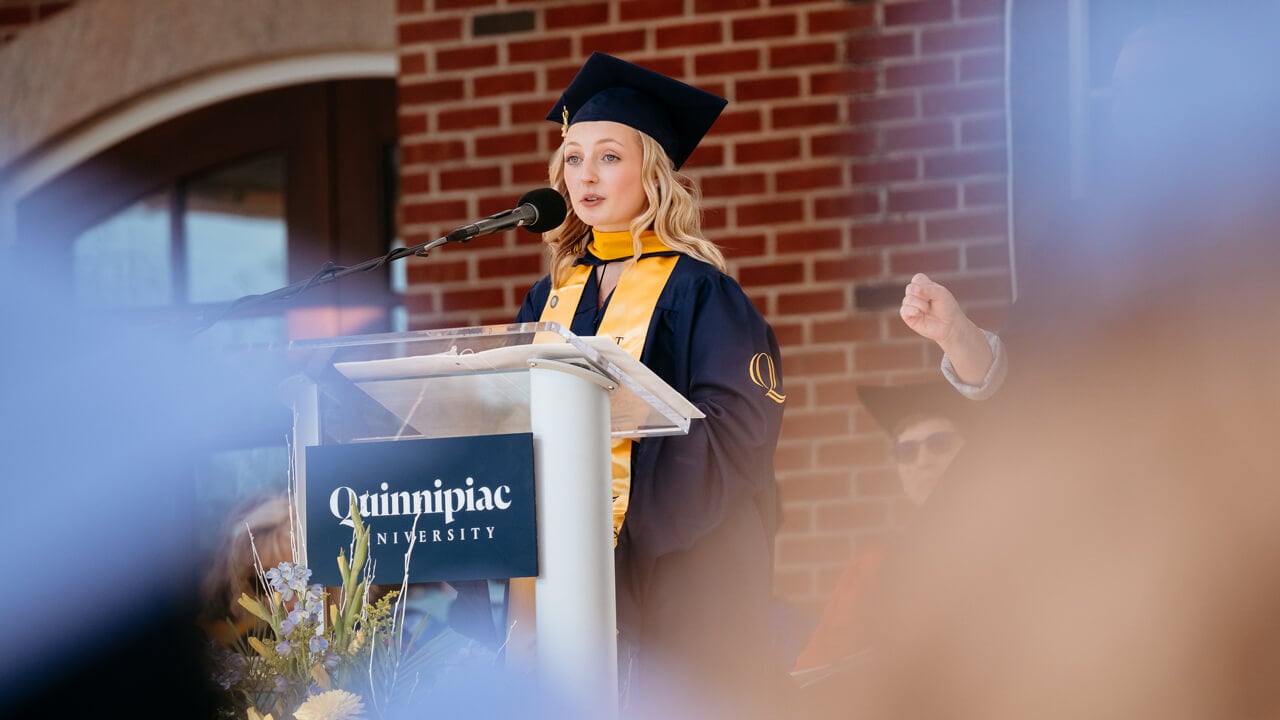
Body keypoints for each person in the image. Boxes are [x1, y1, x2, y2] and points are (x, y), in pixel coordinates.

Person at [512, 52, 788, 717]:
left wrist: (627, 518)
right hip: (567, 574)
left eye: (608, 156)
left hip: (681, 575)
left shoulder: (704, 293)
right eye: (572, 159)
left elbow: (739, 431)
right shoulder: (548, 298)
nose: (585, 174)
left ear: (653, 172)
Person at [792, 382, 970, 675]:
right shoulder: (873, 566)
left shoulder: (1015, 543)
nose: (923, 461)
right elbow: (817, 671)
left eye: (940, 443)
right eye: (907, 451)